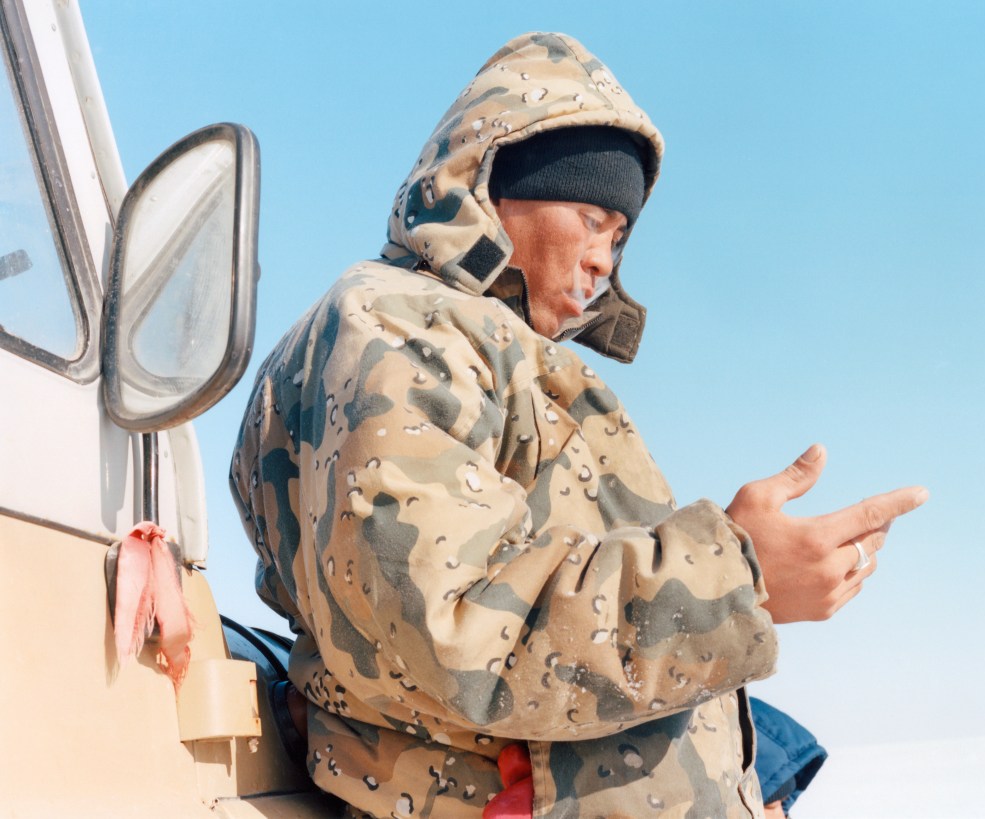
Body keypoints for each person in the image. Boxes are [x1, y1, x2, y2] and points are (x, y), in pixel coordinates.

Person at [230, 32, 927, 817]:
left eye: (619, 236)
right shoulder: (399, 325)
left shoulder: (485, 346)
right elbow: (451, 629)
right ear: (491, 189)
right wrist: (737, 576)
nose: (603, 260)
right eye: (591, 216)